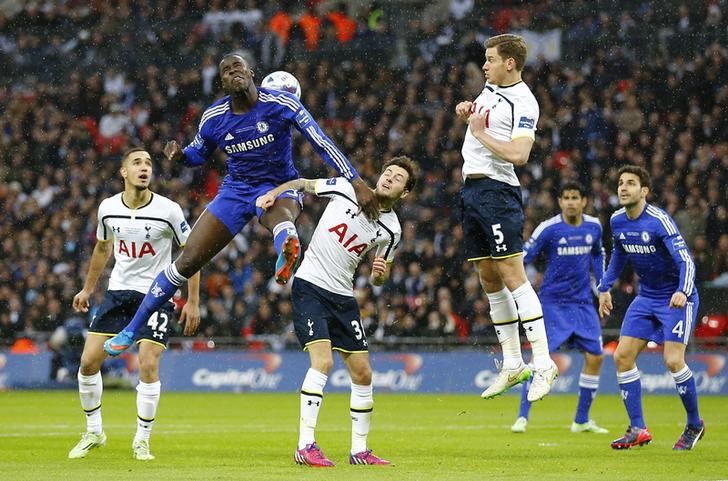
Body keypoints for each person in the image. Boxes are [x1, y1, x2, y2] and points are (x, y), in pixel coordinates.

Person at [103, 53, 377, 355]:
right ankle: (130, 330)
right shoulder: (214, 118)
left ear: (251, 73)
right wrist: (181, 156)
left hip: (279, 185)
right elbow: (198, 154)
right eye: (226, 70)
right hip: (236, 190)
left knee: (280, 217)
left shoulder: (281, 104)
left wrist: (356, 180)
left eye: (238, 66)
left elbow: (320, 142)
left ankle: (287, 248)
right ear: (222, 82)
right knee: (186, 261)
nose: (233, 70)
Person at [255, 156, 418, 467]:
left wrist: (380, 273)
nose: (389, 178)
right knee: (323, 361)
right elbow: (302, 184)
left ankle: (359, 451)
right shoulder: (345, 188)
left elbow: (379, 276)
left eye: (398, 178)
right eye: (387, 172)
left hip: (343, 297)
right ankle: (305, 445)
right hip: (311, 286)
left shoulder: (393, 229)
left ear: (405, 193)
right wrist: (275, 194)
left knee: (363, 372)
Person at [68, 147, 201, 461]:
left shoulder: (169, 210)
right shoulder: (108, 208)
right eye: (137, 163)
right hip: (118, 293)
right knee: (88, 363)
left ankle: (142, 440)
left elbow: (192, 254)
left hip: (157, 294)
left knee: (147, 364)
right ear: (123, 172)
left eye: (149, 164)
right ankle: (94, 431)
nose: (144, 168)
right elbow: (102, 249)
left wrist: (193, 300)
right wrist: (88, 289)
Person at [454, 33, 556, 401]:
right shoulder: (489, 91)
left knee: (513, 274)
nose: (485, 65)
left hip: (498, 193)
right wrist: (467, 113)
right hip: (472, 191)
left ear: (509, 63)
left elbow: (519, 154)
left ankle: (543, 363)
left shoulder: (525, 101)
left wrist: (478, 133)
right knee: (488, 276)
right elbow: (481, 127)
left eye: (491, 59)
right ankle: (513, 364)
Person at [598, 165, 703, 451]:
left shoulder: (659, 221)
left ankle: (695, 423)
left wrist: (683, 290)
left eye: (630, 183)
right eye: (620, 183)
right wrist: (605, 287)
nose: (623, 188)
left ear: (644, 191)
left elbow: (686, 261)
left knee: (672, 360)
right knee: (622, 356)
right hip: (647, 297)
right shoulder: (617, 220)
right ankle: (637, 428)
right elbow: (619, 254)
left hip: (676, 298)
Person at [510, 182, 609, 434]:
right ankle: (522, 416)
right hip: (553, 303)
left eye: (575, 197)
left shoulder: (594, 226)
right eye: (566, 197)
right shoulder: (549, 228)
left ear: (584, 201)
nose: (571, 202)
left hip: (583, 303)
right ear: (560, 202)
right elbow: (525, 257)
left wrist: (603, 288)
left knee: (596, 357)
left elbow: (598, 255)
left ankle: (581, 420)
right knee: (541, 359)